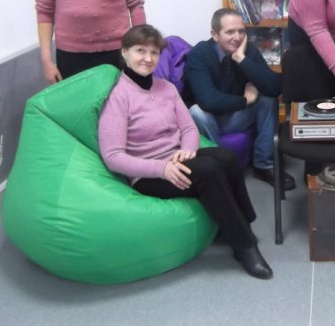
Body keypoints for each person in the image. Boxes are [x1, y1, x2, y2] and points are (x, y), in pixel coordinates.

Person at [98, 25, 272, 279]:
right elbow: (113, 156)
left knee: (225, 157)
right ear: (125, 53)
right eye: (140, 51)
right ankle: (244, 246)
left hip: (178, 158)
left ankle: (241, 224)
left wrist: (187, 150)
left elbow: (189, 128)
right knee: (209, 171)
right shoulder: (118, 97)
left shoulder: (166, 88)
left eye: (154, 52)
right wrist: (162, 169)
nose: (148, 58)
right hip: (149, 173)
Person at [182, 8, 295, 190]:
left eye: (241, 31)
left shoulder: (248, 51)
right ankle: (220, 168)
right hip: (207, 120)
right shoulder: (199, 54)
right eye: (230, 32)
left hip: (234, 116)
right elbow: (208, 101)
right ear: (214, 35)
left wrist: (241, 59)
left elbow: (274, 88)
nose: (237, 37)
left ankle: (264, 165)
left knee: (267, 99)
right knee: (197, 112)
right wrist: (245, 100)